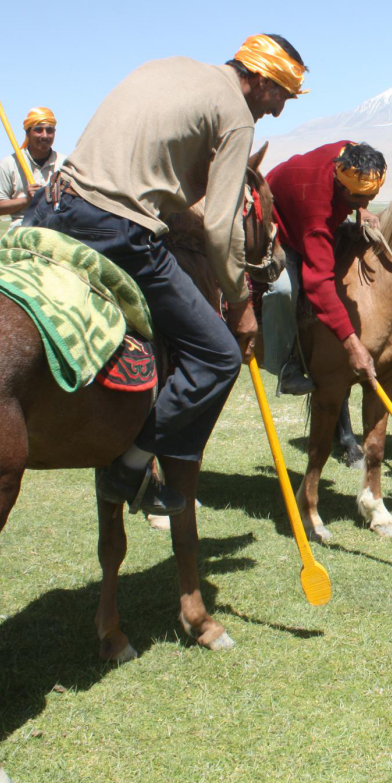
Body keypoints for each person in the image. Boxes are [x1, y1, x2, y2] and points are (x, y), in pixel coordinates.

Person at [26, 33, 307, 514]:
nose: (278, 111)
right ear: (258, 79)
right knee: (218, 355)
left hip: (50, 207)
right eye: (279, 94)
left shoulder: (167, 67)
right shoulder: (236, 114)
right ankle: (132, 465)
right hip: (116, 230)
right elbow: (220, 228)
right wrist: (240, 306)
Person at [262, 141, 386, 395]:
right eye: (358, 196)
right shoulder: (316, 214)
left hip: (308, 202)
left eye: (371, 196)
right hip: (275, 219)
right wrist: (353, 347)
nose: (366, 201)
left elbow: (360, 193)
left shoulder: (350, 151)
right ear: (340, 184)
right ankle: (285, 365)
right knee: (283, 290)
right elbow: (318, 283)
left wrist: (361, 208)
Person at [0, 107, 64, 230]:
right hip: (21, 229)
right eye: (38, 130)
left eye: (50, 130)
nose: (45, 136)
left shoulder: (65, 164)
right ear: (27, 133)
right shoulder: (9, 164)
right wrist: (27, 200)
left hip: (55, 229)